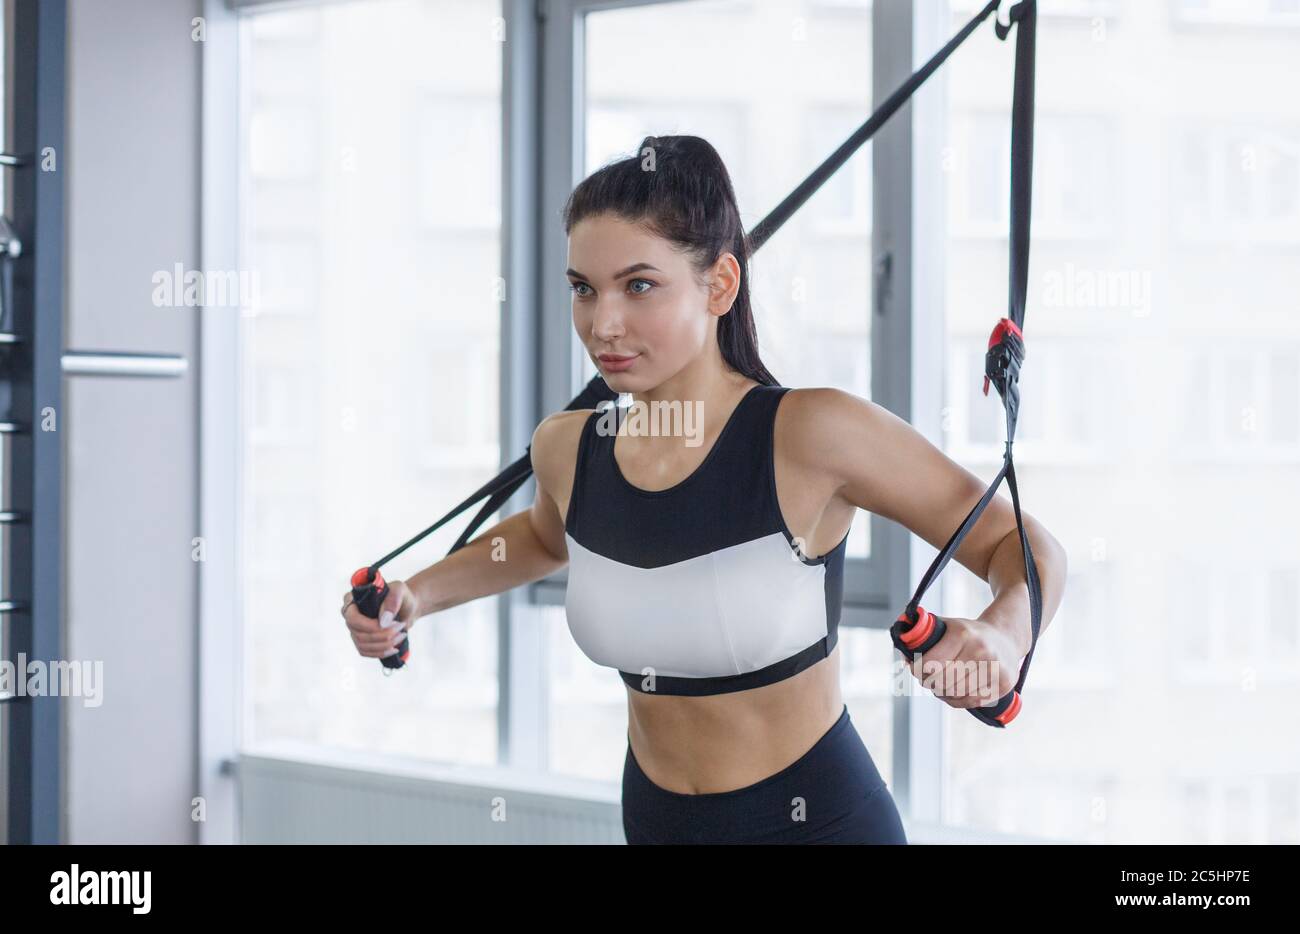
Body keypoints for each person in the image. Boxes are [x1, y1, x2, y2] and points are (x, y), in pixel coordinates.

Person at [341, 134, 1067, 845]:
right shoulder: (568, 447)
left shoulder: (811, 434)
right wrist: (416, 597)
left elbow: (1023, 545)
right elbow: (541, 538)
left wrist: (1005, 633)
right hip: (653, 822)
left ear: (719, 284)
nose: (603, 324)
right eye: (583, 289)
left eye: (639, 285)